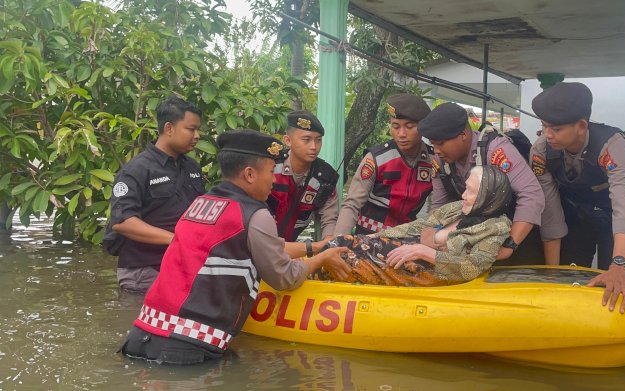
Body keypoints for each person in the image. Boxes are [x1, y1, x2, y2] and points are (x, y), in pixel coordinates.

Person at [119, 129, 351, 365]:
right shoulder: (256, 214)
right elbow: (285, 277)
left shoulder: (201, 203)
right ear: (249, 174)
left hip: (141, 335)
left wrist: (315, 248)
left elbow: (267, 247)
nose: (273, 180)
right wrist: (321, 260)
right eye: (271, 172)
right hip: (188, 345)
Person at [530, 81, 625, 313]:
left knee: (615, 285)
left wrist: (619, 265)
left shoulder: (613, 147)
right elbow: (550, 212)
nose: (547, 135)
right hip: (575, 217)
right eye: (544, 126)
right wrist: (552, 274)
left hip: (612, 219)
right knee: (570, 280)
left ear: (581, 126)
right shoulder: (541, 151)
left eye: (556, 129)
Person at [324, 165, 512, 286]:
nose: (463, 196)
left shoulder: (496, 228)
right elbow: (418, 226)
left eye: (470, 192)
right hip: (404, 253)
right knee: (346, 242)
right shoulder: (458, 209)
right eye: (465, 189)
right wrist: (374, 236)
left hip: (424, 270)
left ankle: (308, 273)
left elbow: (472, 267)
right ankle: (304, 267)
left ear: (488, 199)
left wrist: (424, 252)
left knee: (345, 253)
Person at [417, 102, 545, 262]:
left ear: (463, 134)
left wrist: (510, 245)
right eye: (433, 144)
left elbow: (531, 194)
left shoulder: (495, 151)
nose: (436, 150)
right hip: (474, 241)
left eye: (441, 143)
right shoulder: (441, 161)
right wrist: (431, 231)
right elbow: (440, 206)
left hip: (515, 237)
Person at [103, 96, 205, 294]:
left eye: (198, 130)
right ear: (169, 128)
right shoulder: (136, 170)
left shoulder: (192, 167)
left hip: (185, 267)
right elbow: (122, 221)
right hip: (144, 271)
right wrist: (175, 239)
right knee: (145, 325)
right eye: (191, 129)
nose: (197, 136)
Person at [334, 94, 433, 236]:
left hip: (405, 238)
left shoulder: (434, 160)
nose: (401, 134)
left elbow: (441, 206)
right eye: (395, 126)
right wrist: (339, 241)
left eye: (410, 127)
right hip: (368, 235)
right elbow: (352, 204)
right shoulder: (377, 158)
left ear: (422, 127)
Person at [266, 111, 339, 243]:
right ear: (288, 140)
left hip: (290, 248)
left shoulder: (326, 177)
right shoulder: (269, 165)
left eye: (318, 140)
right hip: (257, 243)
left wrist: (328, 241)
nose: (314, 147)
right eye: (306, 140)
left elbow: (329, 218)